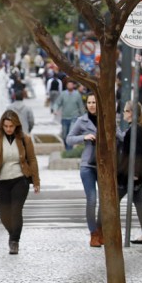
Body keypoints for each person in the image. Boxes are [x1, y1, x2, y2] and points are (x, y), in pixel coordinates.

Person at [0, 110, 40, 254]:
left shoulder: (25, 139)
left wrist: (36, 181)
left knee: (16, 210)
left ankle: (14, 241)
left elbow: (32, 159)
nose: (8, 129)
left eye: (11, 126)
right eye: (6, 126)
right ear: (2, 126)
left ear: (16, 126)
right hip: (3, 180)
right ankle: (12, 233)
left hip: (21, 179)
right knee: (4, 214)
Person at [66, 93, 102, 247]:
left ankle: (101, 231)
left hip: (104, 166)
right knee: (92, 200)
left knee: (105, 202)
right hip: (88, 165)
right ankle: (93, 233)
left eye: (94, 102)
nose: (92, 105)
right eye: (89, 102)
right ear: (86, 104)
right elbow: (69, 138)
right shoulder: (82, 121)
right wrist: (84, 137)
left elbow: (119, 135)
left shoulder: (107, 118)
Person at [118, 101, 142, 245]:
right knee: (139, 203)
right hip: (132, 173)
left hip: (130, 174)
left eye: (125, 111)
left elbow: (136, 153)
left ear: (131, 113)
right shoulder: (135, 129)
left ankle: (105, 233)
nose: (123, 113)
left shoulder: (135, 130)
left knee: (112, 201)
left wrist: (134, 173)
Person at [53, 80, 86, 149]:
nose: (70, 86)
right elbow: (57, 103)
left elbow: (81, 107)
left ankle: (69, 150)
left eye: (71, 84)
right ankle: (66, 148)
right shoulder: (63, 94)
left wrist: (84, 117)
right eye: (68, 84)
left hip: (74, 117)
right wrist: (55, 110)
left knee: (71, 134)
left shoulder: (77, 94)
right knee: (64, 135)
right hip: (65, 117)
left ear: (73, 86)